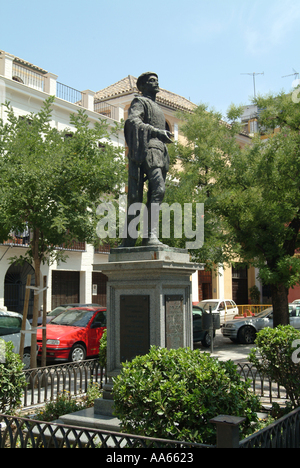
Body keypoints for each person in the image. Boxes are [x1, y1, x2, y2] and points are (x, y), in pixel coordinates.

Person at [120, 72, 173, 247]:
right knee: (158, 189)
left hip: (160, 153)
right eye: (151, 81)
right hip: (148, 151)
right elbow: (133, 122)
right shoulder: (139, 102)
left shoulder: (157, 107)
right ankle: (148, 236)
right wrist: (158, 132)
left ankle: (150, 236)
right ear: (142, 87)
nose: (156, 82)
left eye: (157, 80)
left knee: (157, 192)